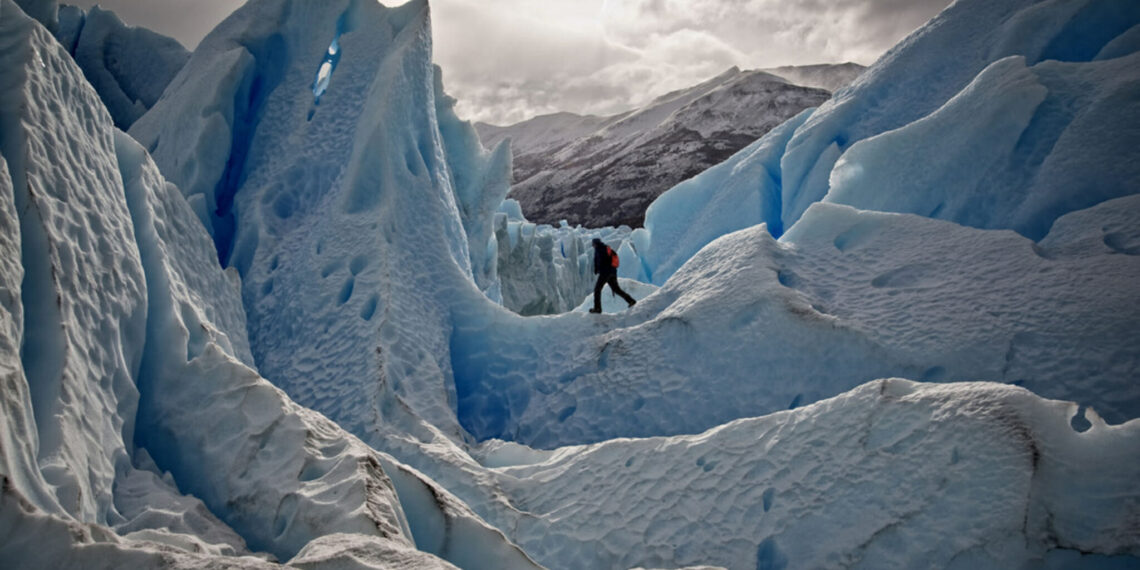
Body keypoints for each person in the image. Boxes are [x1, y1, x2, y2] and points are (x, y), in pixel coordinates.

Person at [590, 238, 636, 313]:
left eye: (593, 244)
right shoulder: (606, 248)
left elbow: (600, 261)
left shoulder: (599, 249)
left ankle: (597, 308)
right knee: (616, 289)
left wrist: (598, 269)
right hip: (612, 272)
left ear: (595, 243)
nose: (592, 245)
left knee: (597, 290)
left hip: (605, 273)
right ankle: (631, 300)